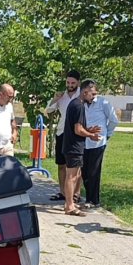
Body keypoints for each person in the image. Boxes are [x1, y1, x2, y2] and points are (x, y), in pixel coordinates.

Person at [60, 80, 102, 216]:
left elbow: (77, 127)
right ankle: (69, 205)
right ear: (85, 92)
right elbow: (78, 130)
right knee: (72, 176)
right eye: (92, 94)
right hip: (74, 146)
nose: (93, 97)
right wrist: (91, 135)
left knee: (74, 175)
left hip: (72, 144)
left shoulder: (76, 104)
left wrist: (88, 130)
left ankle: (70, 203)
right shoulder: (78, 106)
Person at [45, 70, 81, 202]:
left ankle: (76, 194)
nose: (70, 85)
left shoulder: (81, 95)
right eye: (68, 82)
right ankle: (63, 192)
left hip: (76, 134)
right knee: (61, 164)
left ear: (78, 82)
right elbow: (48, 110)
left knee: (76, 165)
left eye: (73, 83)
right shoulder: (62, 96)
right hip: (61, 132)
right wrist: (55, 99)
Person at [81, 82, 119, 209]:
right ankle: (88, 197)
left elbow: (114, 120)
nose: (90, 95)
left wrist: (107, 134)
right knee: (84, 172)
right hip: (84, 141)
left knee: (94, 172)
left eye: (93, 92)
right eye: (87, 92)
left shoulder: (103, 103)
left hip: (98, 142)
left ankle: (94, 200)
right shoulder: (81, 103)